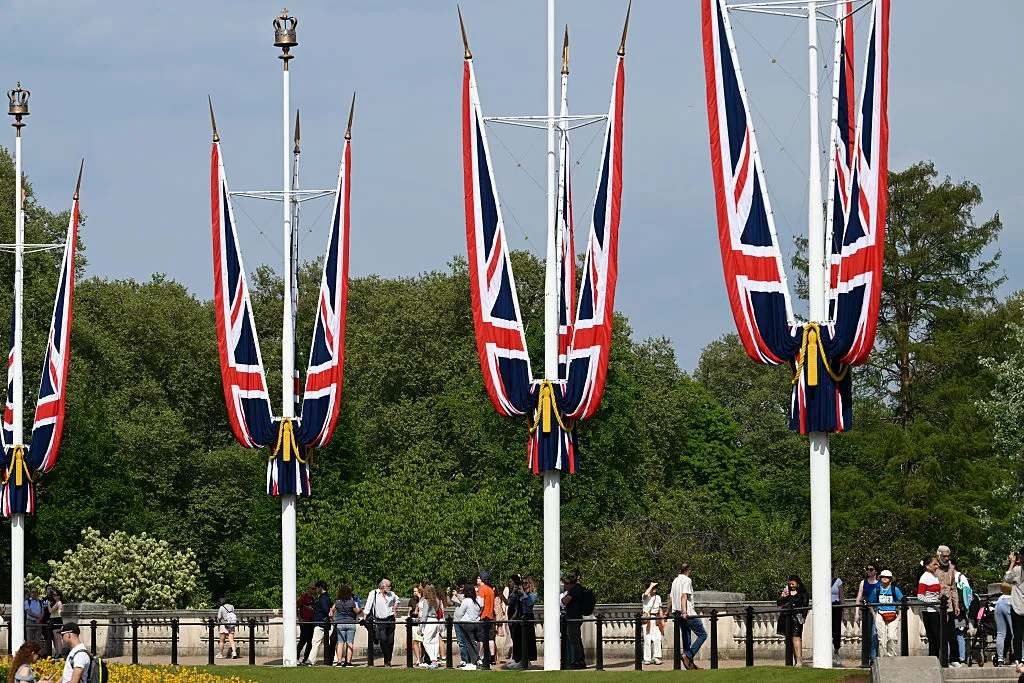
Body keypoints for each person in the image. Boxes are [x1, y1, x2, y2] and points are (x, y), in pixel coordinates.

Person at [675, 563, 707, 670]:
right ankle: (687, 656)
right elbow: (684, 595)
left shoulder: (675, 581)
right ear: (688, 571)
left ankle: (690, 665)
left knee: (686, 637)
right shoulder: (687, 580)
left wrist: (667, 612)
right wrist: (685, 612)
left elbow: (671, 598)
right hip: (687, 613)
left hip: (677, 613)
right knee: (703, 634)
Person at [364, 579, 400, 667]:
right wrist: (365, 616)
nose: (390, 587)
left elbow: (397, 600)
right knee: (383, 639)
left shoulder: (392, 594)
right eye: (389, 586)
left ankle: (388, 661)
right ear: (383, 586)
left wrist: (395, 609)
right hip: (380, 620)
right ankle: (386, 658)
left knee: (390, 641)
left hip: (390, 619)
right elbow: (368, 605)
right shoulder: (374, 593)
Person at [935, 545, 960, 665]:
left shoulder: (951, 568)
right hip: (937, 605)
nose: (946, 558)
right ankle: (940, 658)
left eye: (948, 556)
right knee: (939, 635)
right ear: (939, 556)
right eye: (944, 556)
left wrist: (956, 605)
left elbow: (953, 588)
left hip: (949, 605)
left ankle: (955, 658)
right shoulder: (934, 568)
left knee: (952, 634)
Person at [776, 575, 809, 666]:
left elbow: (805, 607)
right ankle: (794, 661)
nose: (791, 586)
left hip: (797, 618)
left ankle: (799, 661)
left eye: (793, 584)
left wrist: (803, 617)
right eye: (790, 584)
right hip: (786, 617)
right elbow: (778, 603)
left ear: (798, 583)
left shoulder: (804, 594)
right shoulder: (786, 593)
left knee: (796, 637)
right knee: (789, 639)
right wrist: (782, 596)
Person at [871, 570, 903, 658]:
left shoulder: (895, 589)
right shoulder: (876, 590)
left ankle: (891, 656)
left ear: (890, 579)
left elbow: (902, 602)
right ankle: (882, 658)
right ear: (880, 578)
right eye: (883, 576)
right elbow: (869, 603)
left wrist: (899, 615)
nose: (885, 578)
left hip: (893, 614)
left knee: (892, 637)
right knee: (881, 639)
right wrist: (874, 615)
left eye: (887, 577)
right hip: (880, 614)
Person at [330, 584, 361, 667]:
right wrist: (357, 606)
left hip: (340, 623)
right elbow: (358, 611)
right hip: (350, 622)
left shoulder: (337, 602)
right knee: (350, 642)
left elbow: (331, 612)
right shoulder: (352, 601)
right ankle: (348, 662)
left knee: (340, 643)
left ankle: (339, 662)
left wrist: (334, 619)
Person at [918, 555, 943, 658]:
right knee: (934, 636)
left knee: (937, 636)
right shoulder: (924, 578)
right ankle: (935, 657)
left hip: (936, 610)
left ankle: (936, 657)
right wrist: (933, 603)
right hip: (929, 611)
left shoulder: (935, 576)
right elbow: (920, 596)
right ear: (927, 566)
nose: (937, 566)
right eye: (934, 564)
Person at [855, 562, 881, 661]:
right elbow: (859, 596)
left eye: (871, 569)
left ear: (876, 571)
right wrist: (857, 613)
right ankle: (867, 657)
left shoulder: (879, 583)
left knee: (875, 634)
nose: (868, 571)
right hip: (866, 610)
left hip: (876, 610)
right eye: (867, 569)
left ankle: (873, 657)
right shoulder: (863, 582)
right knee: (867, 634)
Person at [561, 570, 586, 670]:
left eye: (572, 577)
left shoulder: (575, 589)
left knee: (574, 640)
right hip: (574, 617)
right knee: (576, 640)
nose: (570, 579)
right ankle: (579, 660)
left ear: (578, 577)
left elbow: (565, 601)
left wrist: (565, 597)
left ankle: (578, 661)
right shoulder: (577, 588)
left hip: (573, 617)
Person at [1004, 549, 1024, 665]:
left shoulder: (1017, 570)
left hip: (1017, 606)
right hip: (1019, 606)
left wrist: (1012, 563)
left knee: (1017, 635)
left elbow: (1006, 579)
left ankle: (1018, 659)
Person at [453, 584, 480, 669]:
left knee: (470, 642)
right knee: (473, 642)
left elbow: (460, 613)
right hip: (476, 623)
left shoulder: (466, 601)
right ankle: (475, 660)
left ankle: (476, 659)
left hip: (468, 623)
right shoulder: (477, 599)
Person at [306, 581, 331, 666]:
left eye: (316, 588)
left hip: (320, 622)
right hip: (325, 623)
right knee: (329, 642)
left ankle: (311, 660)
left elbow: (325, 609)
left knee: (315, 642)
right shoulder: (327, 597)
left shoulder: (323, 598)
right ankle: (334, 660)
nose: (316, 590)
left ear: (320, 587)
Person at [417, 585, 442, 668]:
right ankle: (435, 660)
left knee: (426, 641)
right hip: (436, 621)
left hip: (429, 621)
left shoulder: (426, 601)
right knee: (435, 641)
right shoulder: (437, 600)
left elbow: (424, 616)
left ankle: (433, 660)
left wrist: (420, 628)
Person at [475, 572, 496, 669]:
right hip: (491, 617)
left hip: (483, 617)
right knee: (490, 638)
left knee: (481, 638)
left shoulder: (481, 589)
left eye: (478, 578)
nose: (477, 579)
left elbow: (480, 604)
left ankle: (480, 657)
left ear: (482, 579)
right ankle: (492, 658)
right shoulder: (491, 590)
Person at [641, 581, 664, 665]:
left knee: (657, 638)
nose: (655, 589)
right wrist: (650, 586)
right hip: (647, 619)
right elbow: (646, 594)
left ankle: (656, 656)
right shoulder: (645, 596)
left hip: (656, 619)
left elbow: (660, 609)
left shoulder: (658, 597)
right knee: (647, 639)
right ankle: (647, 658)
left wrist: (662, 620)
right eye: (654, 587)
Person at [518, 577, 538, 668]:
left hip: (528, 616)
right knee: (521, 639)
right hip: (521, 616)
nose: (524, 585)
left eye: (525, 583)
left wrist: (524, 594)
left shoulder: (533, 594)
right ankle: (521, 659)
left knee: (529, 638)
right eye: (523, 583)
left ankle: (528, 659)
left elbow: (530, 603)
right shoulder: (522, 595)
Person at [297, 583, 316, 666]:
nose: (314, 590)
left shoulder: (313, 598)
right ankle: (296, 657)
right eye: (312, 589)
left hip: (311, 622)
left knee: (310, 641)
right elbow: (297, 607)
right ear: (309, 589)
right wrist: (300, 619)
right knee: (302, 641)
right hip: (305, 622)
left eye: (315, 589)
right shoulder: (303, 597)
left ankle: (305, 658)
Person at [996, 585, 1013, 667]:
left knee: (1000, 633)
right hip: (1011, 601)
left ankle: (1000, 659)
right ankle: (1021, 658)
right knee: (1017, 633)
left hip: (999, 601)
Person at [45, 586, 63, 659]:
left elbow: (50, 610)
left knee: (57, 638)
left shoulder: (58, 603)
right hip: (56, 619)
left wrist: (48, 604)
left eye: (55, 595)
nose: (53, 596)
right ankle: (58, 652)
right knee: (56, 638)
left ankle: (59, 653)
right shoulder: (58, 603)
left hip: (56, 620)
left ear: (58, 596)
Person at [831, 568, 844, 667]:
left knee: (836, 631)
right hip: (825, 608)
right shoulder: (822, 580)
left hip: (836, 607)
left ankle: (836, 651)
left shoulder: (838, 581)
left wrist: (843, 612)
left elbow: (841, 597)